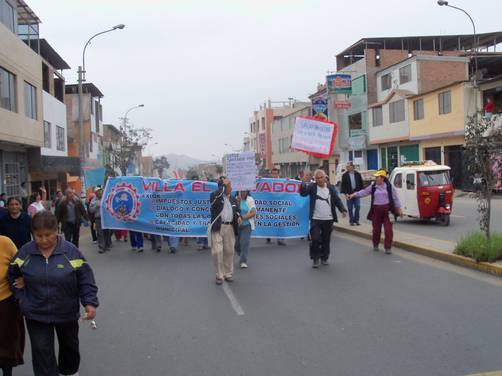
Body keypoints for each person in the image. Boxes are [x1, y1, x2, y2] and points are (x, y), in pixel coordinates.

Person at [8, 211, 98, 376]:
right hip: (36, 313)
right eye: (38, 235)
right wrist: (22, 297)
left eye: (48, 235)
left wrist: (89, 302)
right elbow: (12, 274)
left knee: (69, 347)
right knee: (41, 350)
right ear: (32, 234)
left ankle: (69, 372)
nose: (43, 240)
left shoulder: (70, 252)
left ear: (57, 230)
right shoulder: (25, 252)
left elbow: (86, 279)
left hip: (66, 312)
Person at [300, 169, 347, 268]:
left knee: (326, 240)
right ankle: (315, 258)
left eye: (321, 177)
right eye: (317, 178)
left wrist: (342, 209)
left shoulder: (330, 188)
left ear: (325, 177)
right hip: (315, 219)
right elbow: (303, 193)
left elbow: (337, 200)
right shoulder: (312, 187)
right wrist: (303, 182)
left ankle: (324, 257)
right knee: (315, 239)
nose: (320, 180)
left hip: (328, 219)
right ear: (315, 179)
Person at [348, 169, 403, 254]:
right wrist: (353, 195)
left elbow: (396, 198)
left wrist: (399, 209)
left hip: (388, 211)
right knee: (376, 229)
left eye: (378, 177)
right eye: (376, 177)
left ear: (383, 178)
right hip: (376, 210)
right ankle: (375, 244)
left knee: (388, 230)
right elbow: (364, 192)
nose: (376, 179)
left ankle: (388, 247)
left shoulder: (389, 187)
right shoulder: (373, 187)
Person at [0, 235, 24, 376]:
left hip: (5, 302)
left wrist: (22, 278)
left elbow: (21, 266)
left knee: (7, 344)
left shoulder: (5, 243)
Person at [209, 177, 240, 285]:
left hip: (230, 227)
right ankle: (219, 275)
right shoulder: (214, 196)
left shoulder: (233, 198)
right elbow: (216, 197)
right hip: (218, 227)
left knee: (229, 251)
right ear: (224, 187)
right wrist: (222, 186)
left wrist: (239, 216)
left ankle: (228, 273)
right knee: (217, 251)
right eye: (229, 185)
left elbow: (237, 210)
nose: (231, 188)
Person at [235, 190, 256, 269]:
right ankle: (241, 253)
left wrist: (242, 218)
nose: (243, 193)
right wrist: (238, 201)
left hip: (247, 225)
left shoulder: (250, 199)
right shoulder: (235, 199)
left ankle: (243, 261)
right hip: (236, 225)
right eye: (241, 191)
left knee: (244, 242)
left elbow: (253, 213)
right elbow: (234, 211)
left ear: (247, 192)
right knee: (236, 244)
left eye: (245, 191)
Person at [266, 167, 286, 246]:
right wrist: (259, 179)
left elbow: (286, 189)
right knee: (270, 221)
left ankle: (280, 239)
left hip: (279, 205)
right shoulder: (267, 181)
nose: (274, 175)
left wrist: (288, 181)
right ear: (271, 174)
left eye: (276, 173)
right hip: (270, 205)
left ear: (278, 174)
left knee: (280, 221)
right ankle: (267, 235)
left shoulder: (282, 182)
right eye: (273, 173)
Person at [340, 162, 364, 226]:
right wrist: (346, 194)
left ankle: (356, 220)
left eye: (348, 166)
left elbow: (361, 184)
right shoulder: (344, 175)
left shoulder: (357, 174)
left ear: (352, 167)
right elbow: (343, 186)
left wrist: (361, 192)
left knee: (357, 206)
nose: (347, 168)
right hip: (348, 193)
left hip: (356, 193)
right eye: (346, 167)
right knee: (350, 208)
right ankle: (351, 221)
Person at [89, 187, 112, 253]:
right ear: (96, 193)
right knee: (100, 233)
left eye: (100, 191)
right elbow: (91, 210)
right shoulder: (93, 200)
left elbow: (109, 206)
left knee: (106, 232)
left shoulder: (105, 198)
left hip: (105, 218)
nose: (100, 192)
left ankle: (107, 245)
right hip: (98, 218)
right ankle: (101, 247)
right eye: (98, 191)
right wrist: (96, 206)